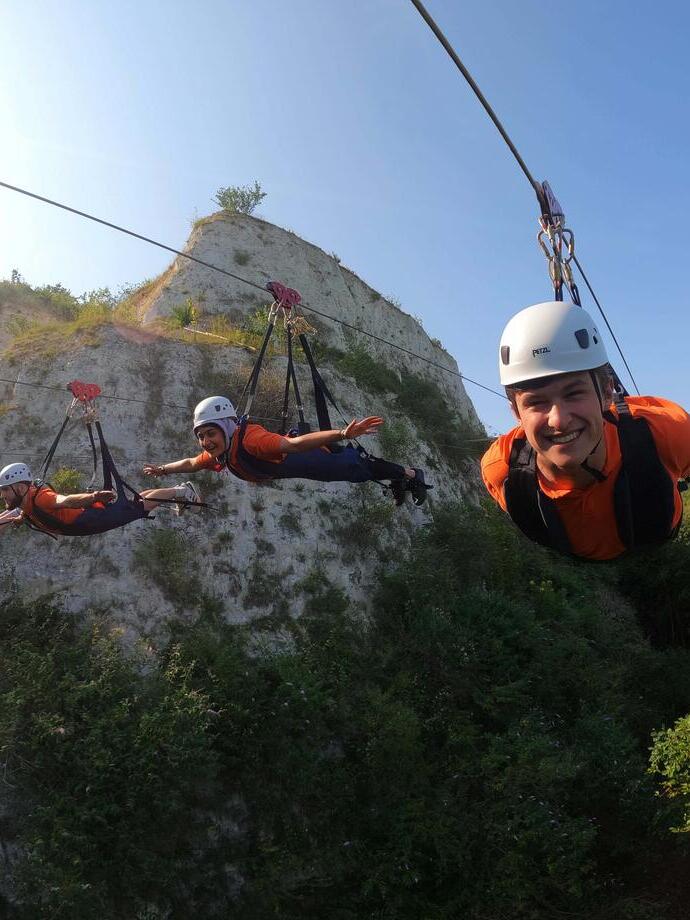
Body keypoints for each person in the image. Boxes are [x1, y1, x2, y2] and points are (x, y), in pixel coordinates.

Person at [480, 301, 690, 561]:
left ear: (606, 393)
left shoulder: (665, 432)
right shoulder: (503, 470)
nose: (558, 420)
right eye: (536, 402)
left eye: (574, 393)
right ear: (516, 412)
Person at [143, 396, 430, 505]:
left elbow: (292, 445)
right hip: (309, 470)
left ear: (226, 428)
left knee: (361, 467)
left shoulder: (250, 440)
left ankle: (411, 473)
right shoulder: (221, 452)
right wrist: (164, 469)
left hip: (316, 460)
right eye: (201, 436)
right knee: (359, 472)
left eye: (210, 433)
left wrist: (342, 433)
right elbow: (192, 463)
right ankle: (399, 478)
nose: (206, 441)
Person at [0, 462, 201, 538]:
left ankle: (181, 492)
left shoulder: (41, 498)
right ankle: (179, 491)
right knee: (133, 503)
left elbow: (66, 500)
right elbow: (22, 514)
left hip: (90, 518)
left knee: (136, 508)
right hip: (87, 522)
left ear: (19, 487)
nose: (3, 496)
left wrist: (94, 497)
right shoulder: (25, 504)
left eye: (5, 490)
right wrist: (17, 520)